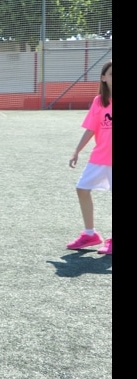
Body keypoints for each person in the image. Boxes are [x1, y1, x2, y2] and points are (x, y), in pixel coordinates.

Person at [66, 60, 112, 255]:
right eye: (111, 74)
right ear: (103, 78)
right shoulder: (98, 101)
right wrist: (77, 150)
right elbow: (91, 129)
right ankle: (90, 234)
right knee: (82, 188)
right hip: (100, 157)